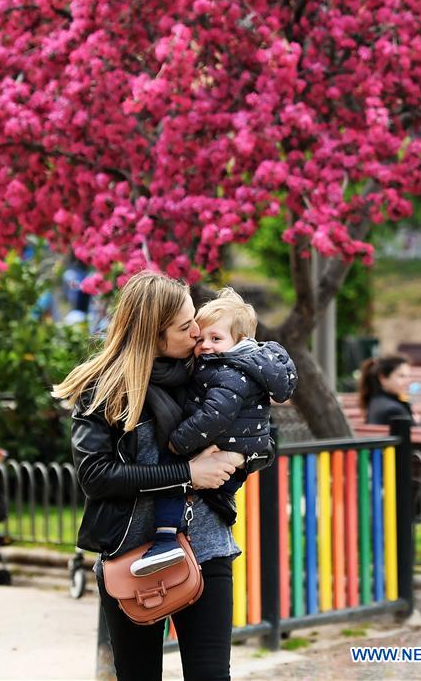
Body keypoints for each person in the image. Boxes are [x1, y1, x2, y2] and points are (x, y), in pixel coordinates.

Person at [52, 271, 272, 681]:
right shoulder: (103, 390)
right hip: (131, 559)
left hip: (206, 549)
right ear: (154, 334)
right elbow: (95, 475)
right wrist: (187, 474)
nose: (197, 331)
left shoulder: (208, 372)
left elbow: (261, 438)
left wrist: (241, 457)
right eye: (185, 325)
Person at [129, 288, 297, 577]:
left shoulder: (228, 371)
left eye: (214, 338)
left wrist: (180, 444)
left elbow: (216, 417)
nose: (202, 342)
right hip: (133, 543)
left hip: (211, 539)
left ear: (240, 341)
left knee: (175, 474)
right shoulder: (213, 368)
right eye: (195, 332)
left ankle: (166, 538)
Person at [358, 354, 418, 425]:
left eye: (409, 376)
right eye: (401, 376)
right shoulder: (394, 410)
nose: (408, 381)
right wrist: (418, 423)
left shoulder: (375, 400)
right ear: (383, 378)